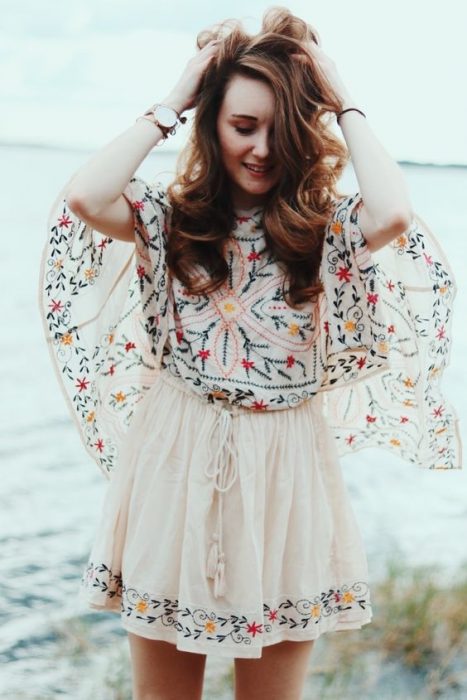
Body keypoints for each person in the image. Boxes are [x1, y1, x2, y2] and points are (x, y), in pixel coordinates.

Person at [38, 7, 460, 700]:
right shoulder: (170, 221)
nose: (261, 148)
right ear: (211, 126)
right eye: (242, 126)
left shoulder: (325, 232)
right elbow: (85, 195)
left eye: (279, 129)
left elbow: (391, 214)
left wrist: (336, 91)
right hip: (174, 462)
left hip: (283, 472)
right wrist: (178, 96)